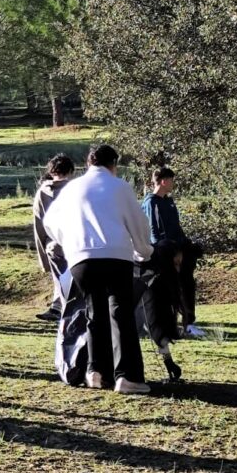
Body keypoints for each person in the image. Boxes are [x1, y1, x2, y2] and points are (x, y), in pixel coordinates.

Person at [43, 144, 154, 395]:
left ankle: (95, 372)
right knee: (121, 314)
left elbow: (50, 222)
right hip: (116, 256)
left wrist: (70, 241)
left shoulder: (72, 188)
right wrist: (143, 251)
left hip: (82, 260)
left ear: (88, 163)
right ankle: (127, 376)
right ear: (113, 164)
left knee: (94, 314)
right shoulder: (120, 187)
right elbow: (138, 223)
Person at [142, 166, 207, 339]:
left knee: (187, 286)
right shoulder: (151, 202)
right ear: (163, 181)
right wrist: (167, 253)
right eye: (171, 180)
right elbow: (154, 232)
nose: (173, 184)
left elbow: (176, 228)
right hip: (166, 254)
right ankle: (171, 325)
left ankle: (189, 323)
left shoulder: (169, 202)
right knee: (169, 290)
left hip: (180, 252)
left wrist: (187, 246)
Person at [32, 154, 75, 321]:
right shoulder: (76, 189)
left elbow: (39, 225)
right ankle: (66, 309)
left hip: (53, 244)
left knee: (59, 278)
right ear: (71, 170)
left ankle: (58, 307)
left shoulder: (42, 192)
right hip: (76, 242)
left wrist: (43, 256)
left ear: (51, 171)